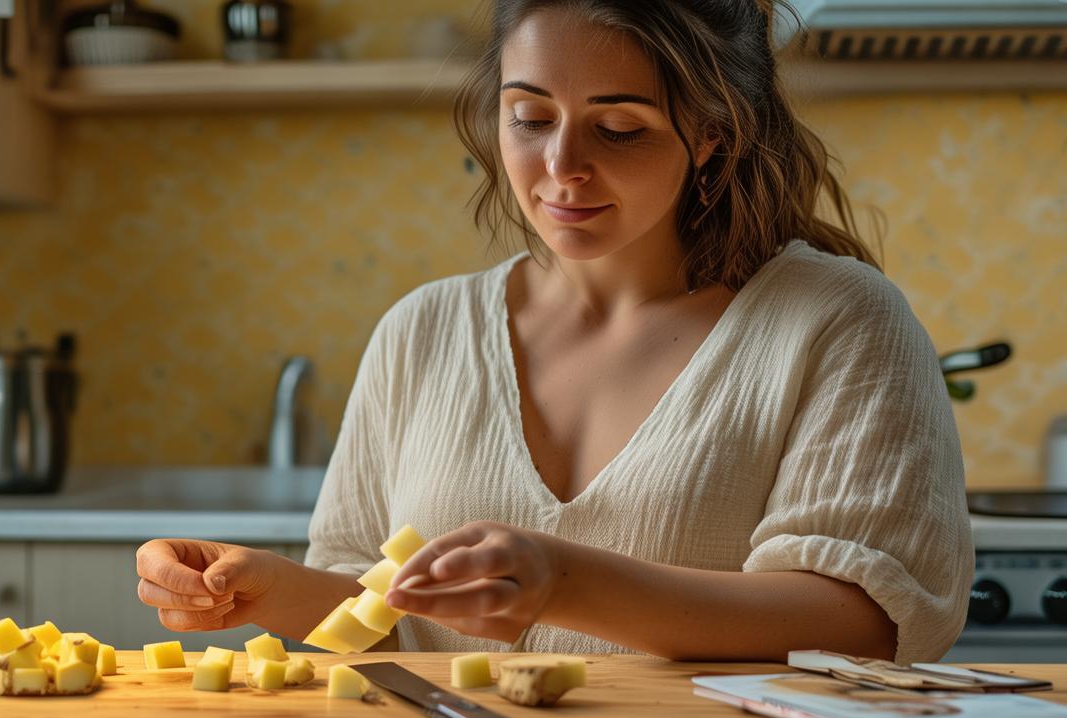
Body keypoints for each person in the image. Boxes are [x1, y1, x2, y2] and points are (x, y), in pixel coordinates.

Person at [135, 0, 973, 664]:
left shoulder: (841, 320)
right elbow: (379, 619)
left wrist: (564, 583)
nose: (562, 167)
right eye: (530, 118)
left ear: (714, 132)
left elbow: (865, 619)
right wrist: (268, 591)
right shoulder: (421, 331)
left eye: (619, 128)